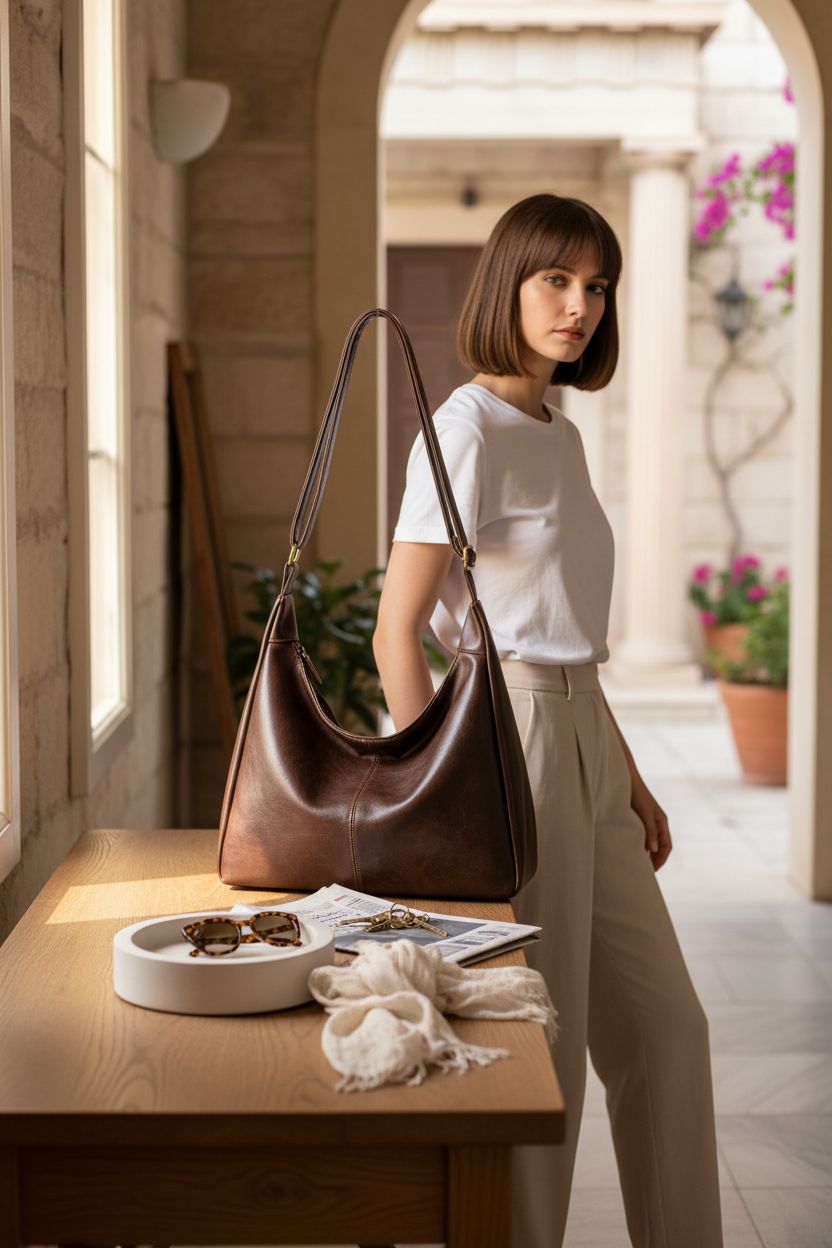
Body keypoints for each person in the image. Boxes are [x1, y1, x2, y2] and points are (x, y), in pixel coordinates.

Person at [372, 193, 724, 1248]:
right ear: (508, 286)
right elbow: (397, 634)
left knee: (667, 1030)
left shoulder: (557, 434)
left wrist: (628, 779)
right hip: (509, 739)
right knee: (540, 1045)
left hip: (584, 737)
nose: (580, 305)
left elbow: (564, 630)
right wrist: (439, 800)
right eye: (556, 280)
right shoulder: (465, 430)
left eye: (596, 286)